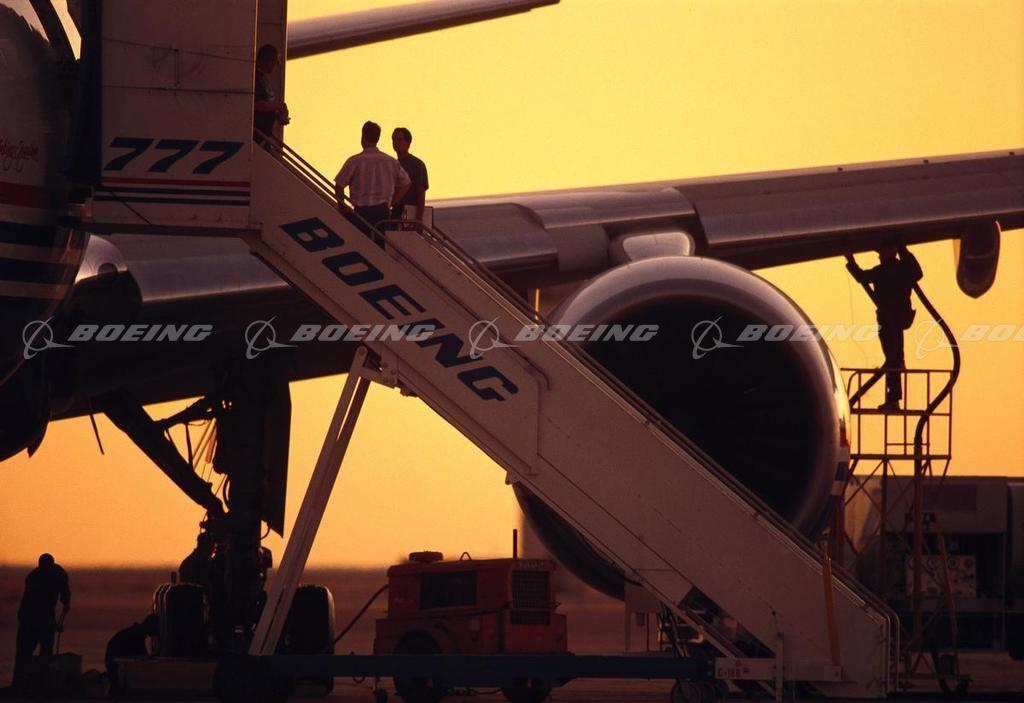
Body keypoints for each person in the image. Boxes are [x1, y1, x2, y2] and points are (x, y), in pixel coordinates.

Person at [846, 242, 923, 411]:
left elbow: (861, 277)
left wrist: (850, 260)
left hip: (888, 320)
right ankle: (894, 396)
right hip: (900, 319)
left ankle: (893, 398)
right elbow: (918, 272)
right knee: (895, 357)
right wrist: (903, 250)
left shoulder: (882, 271)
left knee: (892, 360)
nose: (879, 257)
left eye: (881, 254)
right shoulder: (904, 269)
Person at [335, 121, 411, 243]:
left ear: (363, 137)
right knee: (380, 246)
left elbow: (339, 185)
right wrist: (392, 201)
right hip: (382, 212)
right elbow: (406, 183)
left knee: (360, 245)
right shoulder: (390, 161)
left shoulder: (354, 161)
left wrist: (342, 207)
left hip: (361, 213)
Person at [13, 554, 71, 690]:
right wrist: (63, 609)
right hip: (31, 618)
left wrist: (65, 604)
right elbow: (35, 603)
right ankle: (24, 683)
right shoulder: (34, 577)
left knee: (41, 653)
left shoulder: (54, 574)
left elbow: (64, 593)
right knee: (27, 653)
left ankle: (38, 683)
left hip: (36, 617)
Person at [105, 614, 160, 694]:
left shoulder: (134, 633)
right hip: (116, 666)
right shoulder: (136, 636)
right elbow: (142, 656)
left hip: (114, 664)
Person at [390, 127, 429, 224]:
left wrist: (419, 218)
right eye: (394, 140)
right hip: (396, 210)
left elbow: (421, 192)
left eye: (399, 140)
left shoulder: (417, 164)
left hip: (410, 210)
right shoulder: (392, 165)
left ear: (407, 142)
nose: (395, 142)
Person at [254, 44, 289, 141]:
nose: (276, 65)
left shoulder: (263, 79)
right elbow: (257, 105)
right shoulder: (254, 78)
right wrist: (279, 106)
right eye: (275, 61)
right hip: (257, 136)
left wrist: (277, 114)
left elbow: (266, 105)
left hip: (264, 135)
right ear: (268, 60)